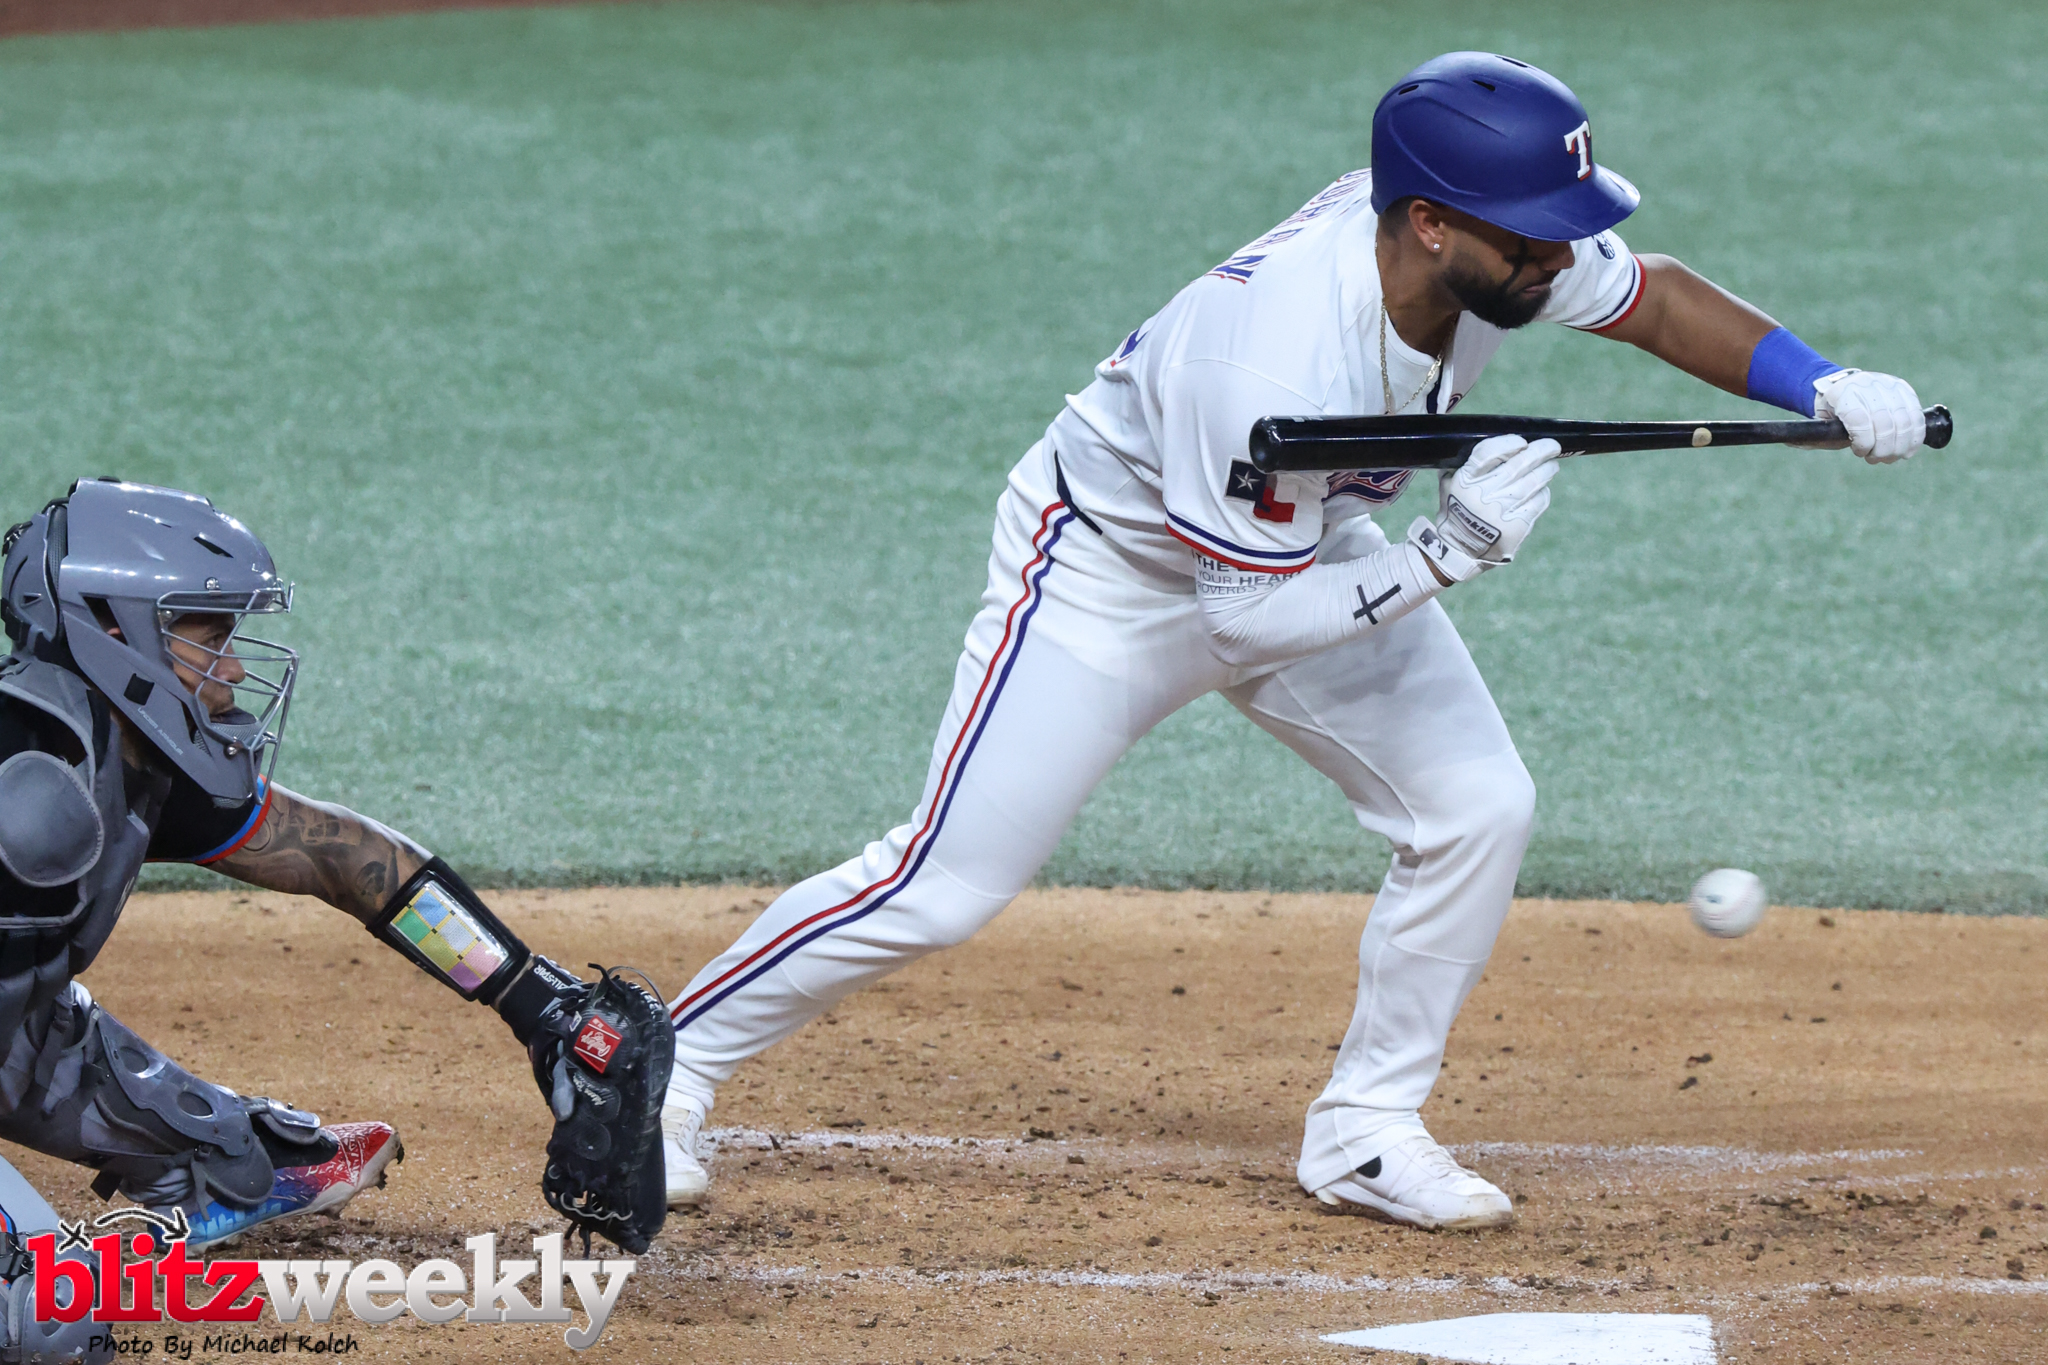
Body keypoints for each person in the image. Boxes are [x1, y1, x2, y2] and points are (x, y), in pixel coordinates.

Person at [657, 52, 1927, 1230]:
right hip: (1105, 578)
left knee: (1474, 807)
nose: (1560, 255)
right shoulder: (1271, 353)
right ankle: (659, 1064)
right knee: (943, 886)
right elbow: (1245, 623)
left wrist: (1814, 381)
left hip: (1301, 545)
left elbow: (1652, 299)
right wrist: (1443, 556)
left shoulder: (1503, 250)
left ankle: (1365, 1130)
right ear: (1428, 223)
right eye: (1532, 233)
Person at [0, 479, 669, 1363]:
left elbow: (343, 858)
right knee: (45, 1318)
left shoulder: (122, 754)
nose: (234, 670)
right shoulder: (26, 798)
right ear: (111, 629)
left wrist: (532, 998)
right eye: (208, 637)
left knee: (231, 1162)